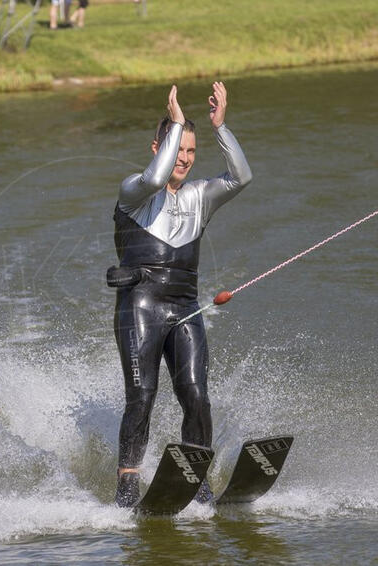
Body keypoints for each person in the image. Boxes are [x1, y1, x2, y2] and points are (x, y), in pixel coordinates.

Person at [108, 82, 253, 507]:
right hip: (140, 305)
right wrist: (175, 122)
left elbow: (242, 176)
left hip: (185, 307)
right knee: (144, 395)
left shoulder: (200, 197)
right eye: (178, 150)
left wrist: (220, 127)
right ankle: (127, 485)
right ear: (160, 147)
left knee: (195, 392)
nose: (185, 160)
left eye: (191, 152)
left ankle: (197, 478)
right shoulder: (134, 191)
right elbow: (156, 175)